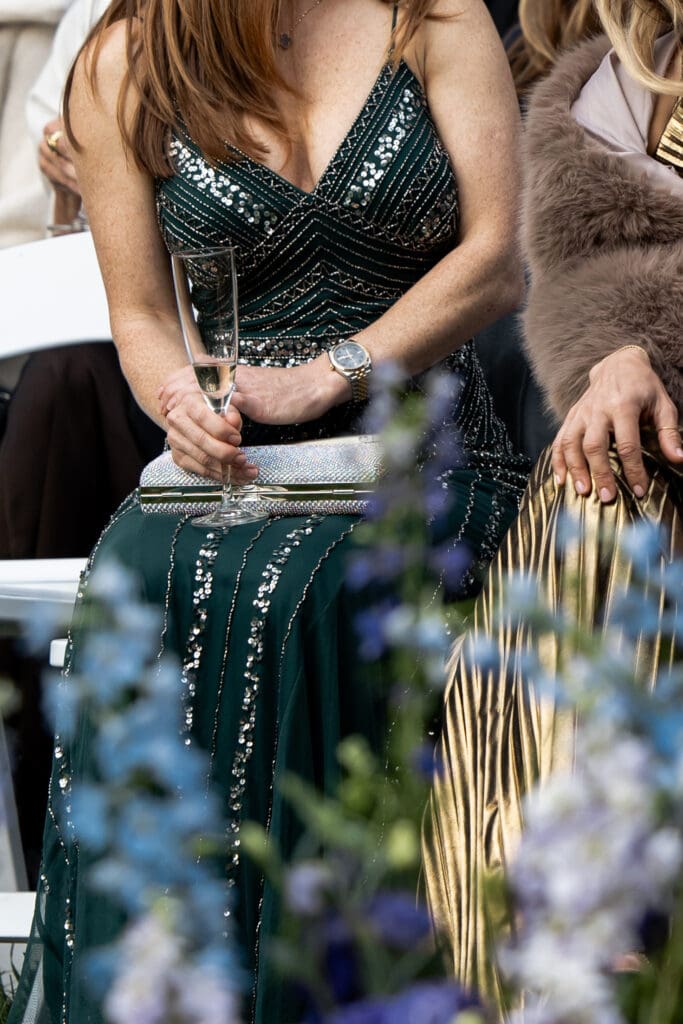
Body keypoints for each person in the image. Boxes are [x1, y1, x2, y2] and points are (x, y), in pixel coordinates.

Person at [8, 1, 531, 1021]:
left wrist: (332, 371)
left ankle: (329, 980)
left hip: (424, 438)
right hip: (236, 458)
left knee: (317, 582)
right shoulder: (127, 57)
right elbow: (142, 314)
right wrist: (178, 402)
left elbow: (495, 257)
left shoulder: (428, 15)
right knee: (140, 573)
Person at [423, 0, 683, 1001]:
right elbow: (591, 274)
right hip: (641, 468)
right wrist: (617, 353)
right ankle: (547, 926)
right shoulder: (600, 84)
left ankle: (568, 907)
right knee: (597, 485)